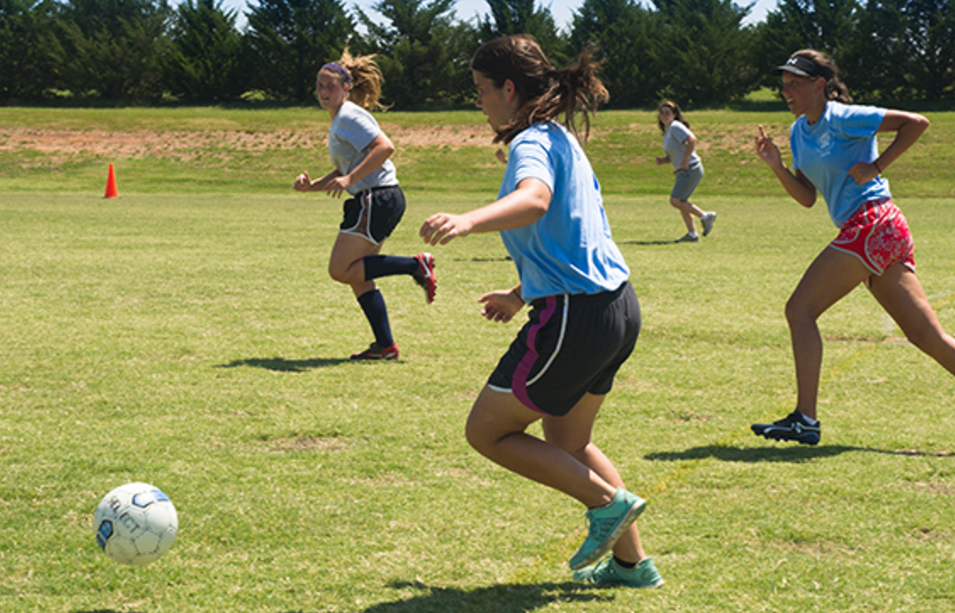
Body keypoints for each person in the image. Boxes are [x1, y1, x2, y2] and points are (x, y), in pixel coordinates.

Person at [419, 35, 662, 588]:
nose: (478, 102)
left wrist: (467, 220)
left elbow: (536, 202)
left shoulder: (532, 142)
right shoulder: (563, 140)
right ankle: (632, 565)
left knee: (487, 432)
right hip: (615, 308)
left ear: (510, 89)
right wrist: (520, 292)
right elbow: (571, 238)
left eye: (482, 90)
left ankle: (607, 504)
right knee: (569, 442)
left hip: (575, 317)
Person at [751, 49, 955, 452]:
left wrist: (877, 166)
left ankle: (805, 420)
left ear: (820, 85)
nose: (787, 91)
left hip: (872, 223)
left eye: (795, 83)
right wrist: (776, 166)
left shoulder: (844, 117)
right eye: (784, 84)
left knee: (799, 310)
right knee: (925, 334)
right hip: (875, 230)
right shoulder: (799, 131)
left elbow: (916, 123)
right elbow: (808, 197)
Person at [292, 48, 437, 361]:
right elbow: (347, 168)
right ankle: (385, 346)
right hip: (378, 198)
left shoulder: (348, 115)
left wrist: (349, 178)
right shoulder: (340, 121)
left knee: (340, 269)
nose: (324, 91)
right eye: (319, 85)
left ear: (346, 89)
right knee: (358, 276)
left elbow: (385, 147)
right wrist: (313, 186)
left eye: (331, 85)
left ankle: (416, 265)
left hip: (378, 197)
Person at [655, 101, 716, 242]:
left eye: (667, 113)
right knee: (682, 201)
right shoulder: (669, 130)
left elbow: (692, 140)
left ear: (675, 115)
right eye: (662, 112)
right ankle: (692, 234)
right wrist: (665, 160)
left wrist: (685, 160)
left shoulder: (676, 126)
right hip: (684, 170)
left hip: (690, 168)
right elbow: (678, 152)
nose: (663, 115)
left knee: (675, 201)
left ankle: (705, 216)